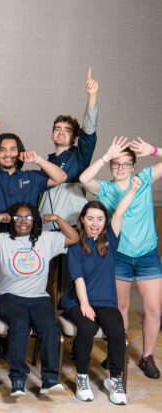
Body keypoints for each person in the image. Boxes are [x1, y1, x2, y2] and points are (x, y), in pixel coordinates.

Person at [79, 136, 162, 379]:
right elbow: (84, 179)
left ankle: (147, 357)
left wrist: (154, 150)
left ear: (133, 166)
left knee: (154, 310)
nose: (120, 168)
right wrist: (105, 156)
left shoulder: (144, 179)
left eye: (126, 164)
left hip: (147, 255)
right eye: (116, 164)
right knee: (120, 307)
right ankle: (119, 353)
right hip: (119, 257)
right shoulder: (105, 189)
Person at [0, 202, 78, 396]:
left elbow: (73, 237)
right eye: (18, 218)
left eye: (28, 218)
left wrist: (57, 218)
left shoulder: (46, 238)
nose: (23, 222)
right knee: (20, 323)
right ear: (12, 220)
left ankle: (49, 379)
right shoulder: (2, 239)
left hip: (39, 298)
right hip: (8, 297)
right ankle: (17, 380)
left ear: (35, 221)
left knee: (50, 326)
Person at [64, 185, 139, 405]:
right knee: (87, 328)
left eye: (99, 219)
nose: (94, 224)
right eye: (90, 219)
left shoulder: (110, 240)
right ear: (83, 220)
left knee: (117, 330)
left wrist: (133, 188)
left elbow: (120, 212)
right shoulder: (76, 245)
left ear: (104, 222)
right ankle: (82, 376)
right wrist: (85, 304)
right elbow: (78, 279)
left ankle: (115, 380)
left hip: (106, 301)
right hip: (78, 301)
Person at [0, 115, 67, 232]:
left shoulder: (31, 177)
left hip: (24, 241)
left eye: (13, 149)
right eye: (2, 150)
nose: (8, 154)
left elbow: (61, 177)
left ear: (20, 152)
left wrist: (38, 159)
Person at [38, 67, 99, 230]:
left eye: (67, 130)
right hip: (45, 228)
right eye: (57, 129)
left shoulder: (79, 157)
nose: (61, 132)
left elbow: (89, 132)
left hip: (71, 227)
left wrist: (92, 96)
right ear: (52, 134)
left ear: (75, 137)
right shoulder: (46, 162)